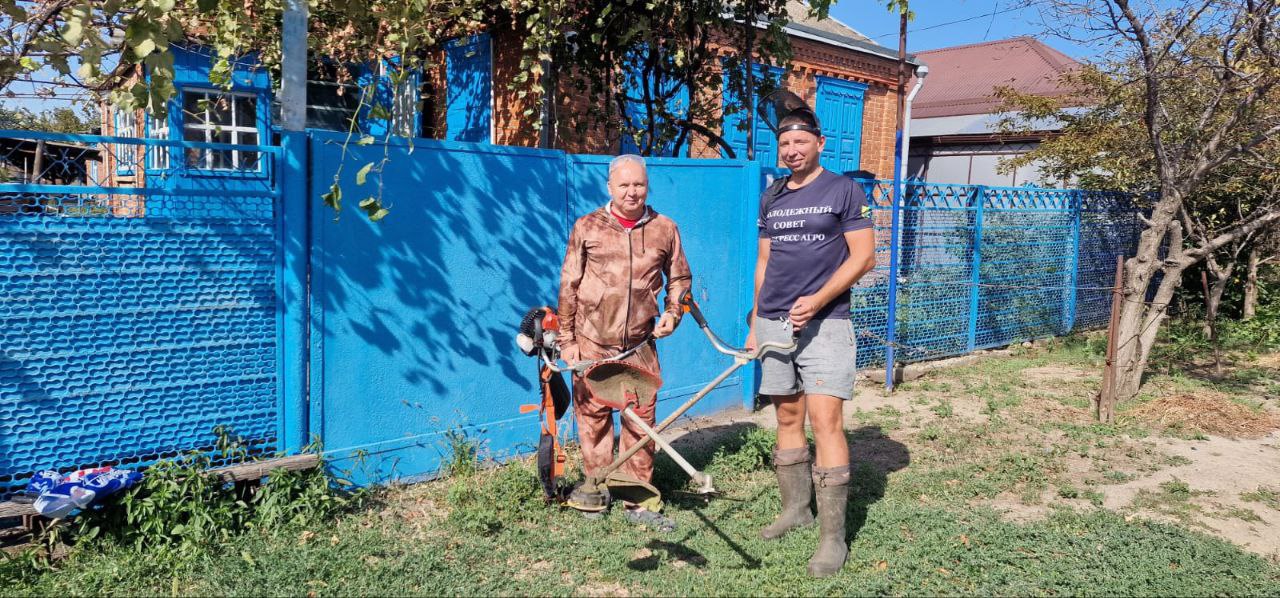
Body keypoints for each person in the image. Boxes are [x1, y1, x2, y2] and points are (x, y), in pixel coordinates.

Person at [746, 104, 876, 577]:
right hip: (774, 321)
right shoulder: (773, 196)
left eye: (800, 142)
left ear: (819, 144)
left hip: (827, 323)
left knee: (826, 421)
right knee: (786, 415)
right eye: (784, 144)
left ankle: (832, 537)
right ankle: (796, 508)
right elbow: (765, 262)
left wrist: (818, 299)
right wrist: (755, 318)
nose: (792, 150)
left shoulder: (843, 189)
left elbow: (864, 258)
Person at [557, 153, 692, 531]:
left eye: (639, 185)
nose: (632, 192)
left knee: (639, 421)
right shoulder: (588, 227)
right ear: (610, 187)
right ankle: (597, 489)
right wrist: (567, 340)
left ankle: (637, 498)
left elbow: (680, 280)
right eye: (624, 185)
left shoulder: (665, 228)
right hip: (592, 341)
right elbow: (568, 285)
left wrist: (673, 314)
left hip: (640, 345)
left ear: (647, 187)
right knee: (594, 418)